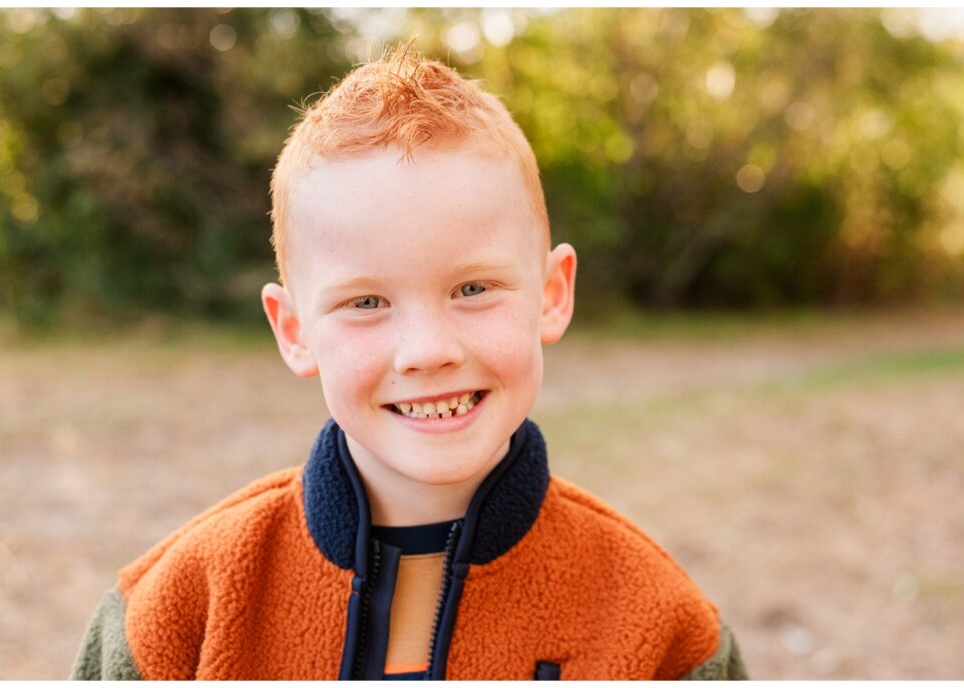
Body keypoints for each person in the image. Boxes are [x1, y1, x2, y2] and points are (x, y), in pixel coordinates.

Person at [70, 44, 748, 680]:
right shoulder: (175, 613)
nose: (428, 352)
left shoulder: (663, 631)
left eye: (473, 290)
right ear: (295, 330)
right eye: (366, 302)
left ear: (551, 294)